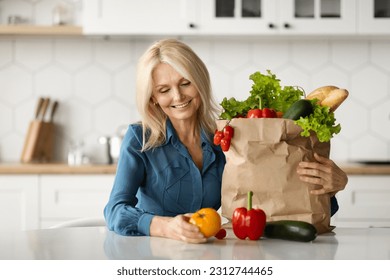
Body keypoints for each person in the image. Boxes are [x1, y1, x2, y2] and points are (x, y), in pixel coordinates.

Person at [104, 39, 348, 243]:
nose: (178, 96)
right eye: (164, 90)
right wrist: (165, 227)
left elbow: (278, 201)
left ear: (199, 83)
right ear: (153, 98)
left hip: (212, 254)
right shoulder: (140, 139)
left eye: (185, 83)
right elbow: (114, 211)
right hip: (153, 256)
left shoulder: (230, 136)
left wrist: (331, 188)